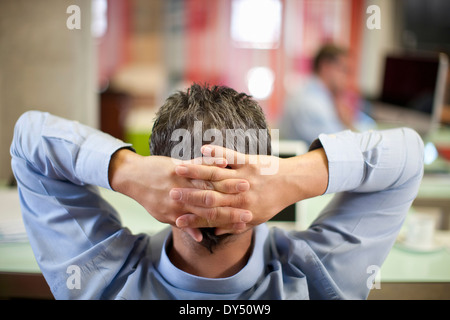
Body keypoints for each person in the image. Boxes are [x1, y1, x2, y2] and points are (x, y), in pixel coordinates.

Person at [11, 83, 424, 300]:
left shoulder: (101, 277)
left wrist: (125, 170)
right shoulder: (320, 278)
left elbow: (31, 142)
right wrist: (291, 178)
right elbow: (406, 156)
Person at [280, 44, 374, 145]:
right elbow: (341, 145)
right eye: (343, 70)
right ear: (325, 67)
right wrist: (346, 123)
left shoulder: (321, 97)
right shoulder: (310, 103)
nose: (346, 78)